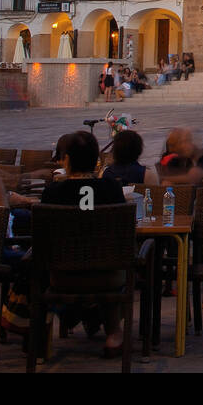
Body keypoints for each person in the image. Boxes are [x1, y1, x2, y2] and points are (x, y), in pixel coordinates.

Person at [37, 131, 128, 357]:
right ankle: (114, 333)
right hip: (108, 275)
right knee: (108, 258)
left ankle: (42, 332)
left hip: (61, 276)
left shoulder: (53, 193)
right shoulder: (112, 188)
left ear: (66, 159)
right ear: (96, 159)